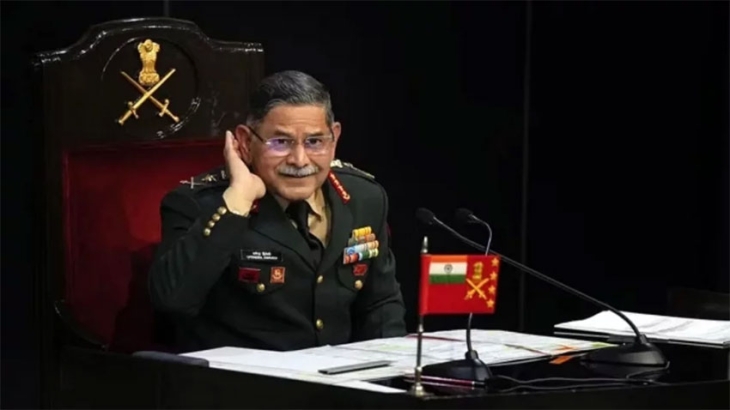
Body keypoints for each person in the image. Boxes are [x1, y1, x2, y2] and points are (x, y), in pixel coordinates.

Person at [148, 70, 407, 352]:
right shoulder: (201, 205)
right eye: (280, 142)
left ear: (334, 139)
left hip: (339, 376)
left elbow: (380, 304)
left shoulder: (364, 198)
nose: (299, 160)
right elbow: (172, 301)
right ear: (245, 142)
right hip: (243, 377)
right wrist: (238, 201)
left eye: (314, 142)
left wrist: (390, 367)